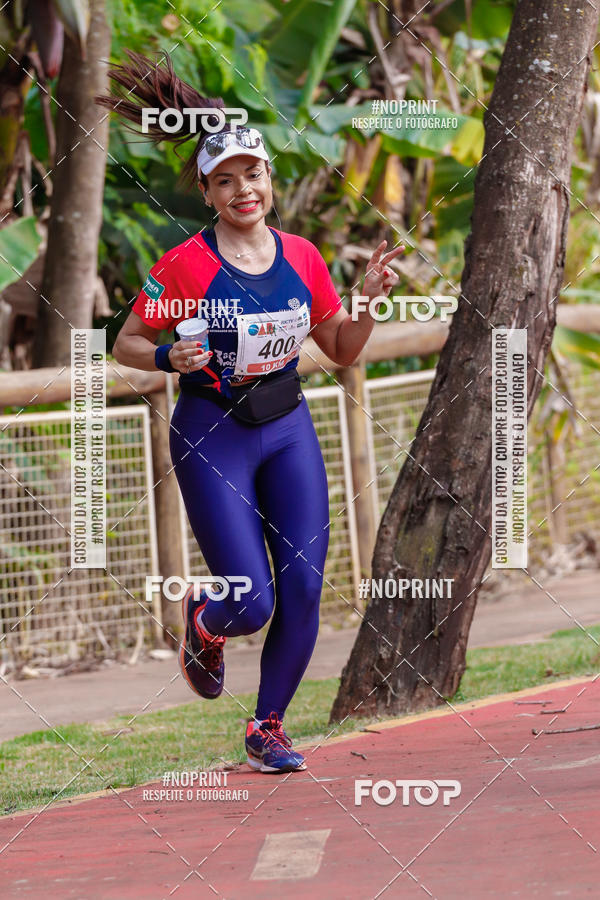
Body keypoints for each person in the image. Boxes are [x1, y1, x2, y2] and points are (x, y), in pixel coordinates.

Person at [98, 51, 403, 774]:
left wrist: (364, 302)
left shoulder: (302, 255)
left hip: (289, 427)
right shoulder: (186, 266)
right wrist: (168, 357)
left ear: (269, 180)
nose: (243, 189)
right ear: (207, 191)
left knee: (304, 586)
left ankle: (267, 727)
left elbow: (341, 349)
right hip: (213, 434)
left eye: (253, 174)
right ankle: (205, 619)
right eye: (225, 179)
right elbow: (128, 343)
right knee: (253, 602)